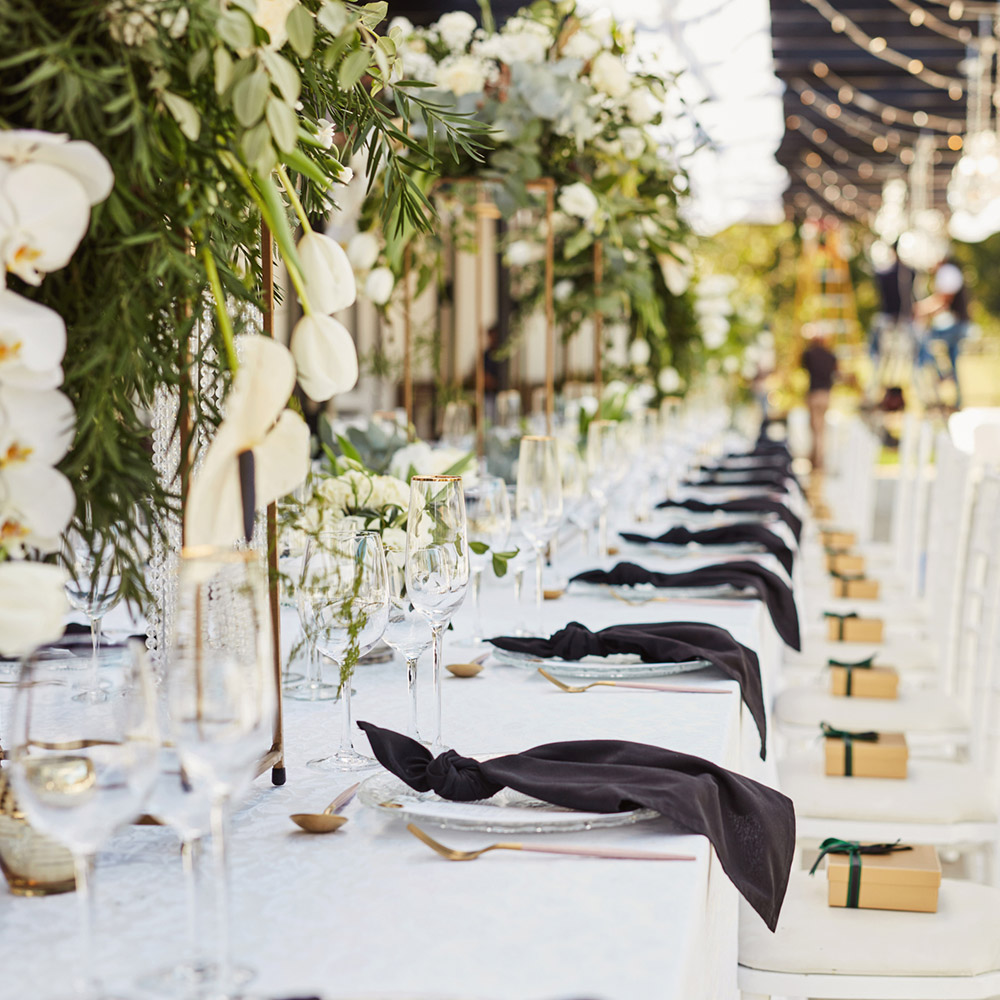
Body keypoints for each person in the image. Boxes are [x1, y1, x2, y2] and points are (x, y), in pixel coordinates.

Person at [914, 257, 970, 408]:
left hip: (957, 325)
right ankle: (956, 397)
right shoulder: (949, 271)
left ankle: (942, 373)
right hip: (959, 324)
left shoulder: (947, 272)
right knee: (953, 360)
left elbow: (943, 301)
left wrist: (920, 309)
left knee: (924, 341)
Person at [801, 330, 838, 471]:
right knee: (820, 428)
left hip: (815, 393)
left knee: (815, 427)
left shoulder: (810, 354)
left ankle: (817, 459)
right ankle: (817, 457)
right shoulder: (830, 356)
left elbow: (803, 364)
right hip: (826, 394)